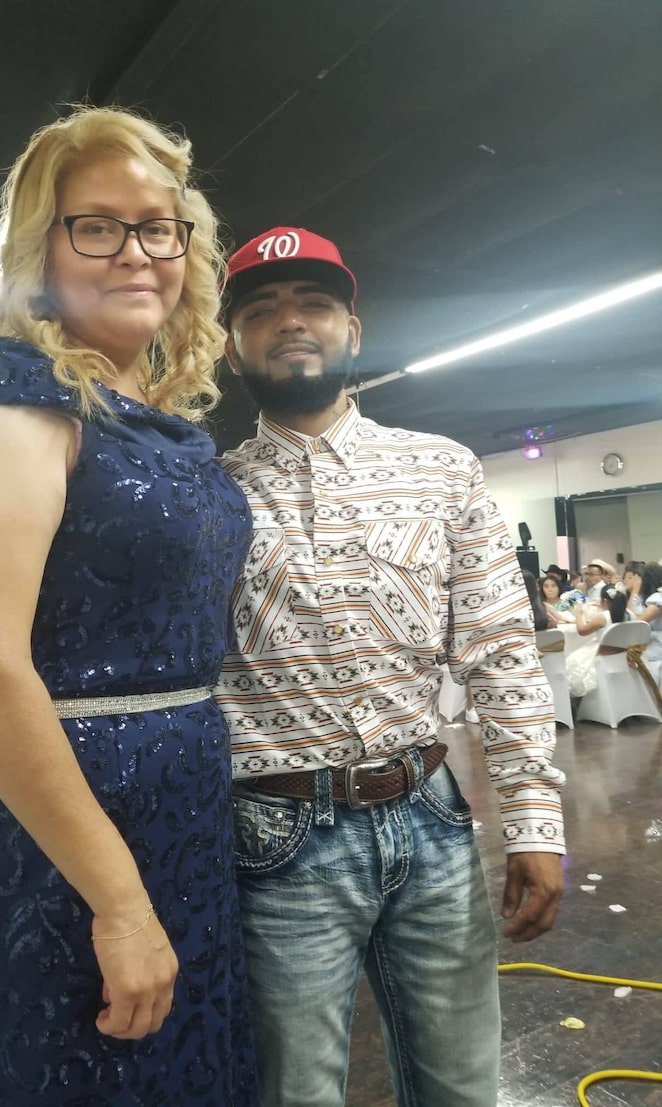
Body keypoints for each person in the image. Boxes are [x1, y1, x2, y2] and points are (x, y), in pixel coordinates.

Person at [0, 106, 258, 1107]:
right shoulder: (8, 423)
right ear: (38, 252)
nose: (138, 252)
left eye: (159, 226)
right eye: (96, 226)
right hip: (61, 844)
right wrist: (116, 903)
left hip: (180, 816)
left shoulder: (148, 422)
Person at [214, 227, 566, 1107]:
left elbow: (500, 650)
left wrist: (532, 817)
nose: (290, 322)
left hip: (432, 816)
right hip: (275, 837)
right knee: (295, 1093)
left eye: (315, 305)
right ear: (232, 343)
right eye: (261, 310)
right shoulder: (208, 494)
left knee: (462, 1086)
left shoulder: (441, 470)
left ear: (353, 330)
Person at [566, 584, 628, 696]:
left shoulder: (603, 617)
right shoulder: (629, 614)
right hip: (623, 654)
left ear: (604, 601)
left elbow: (582, 631)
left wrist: (578, 614)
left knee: (572, 661)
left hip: (602, 653)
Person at [634, 561, 662, 681]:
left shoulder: (658, 598)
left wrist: (634, 592)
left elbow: (638, 621)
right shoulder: (646, 598)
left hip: (656, 646)